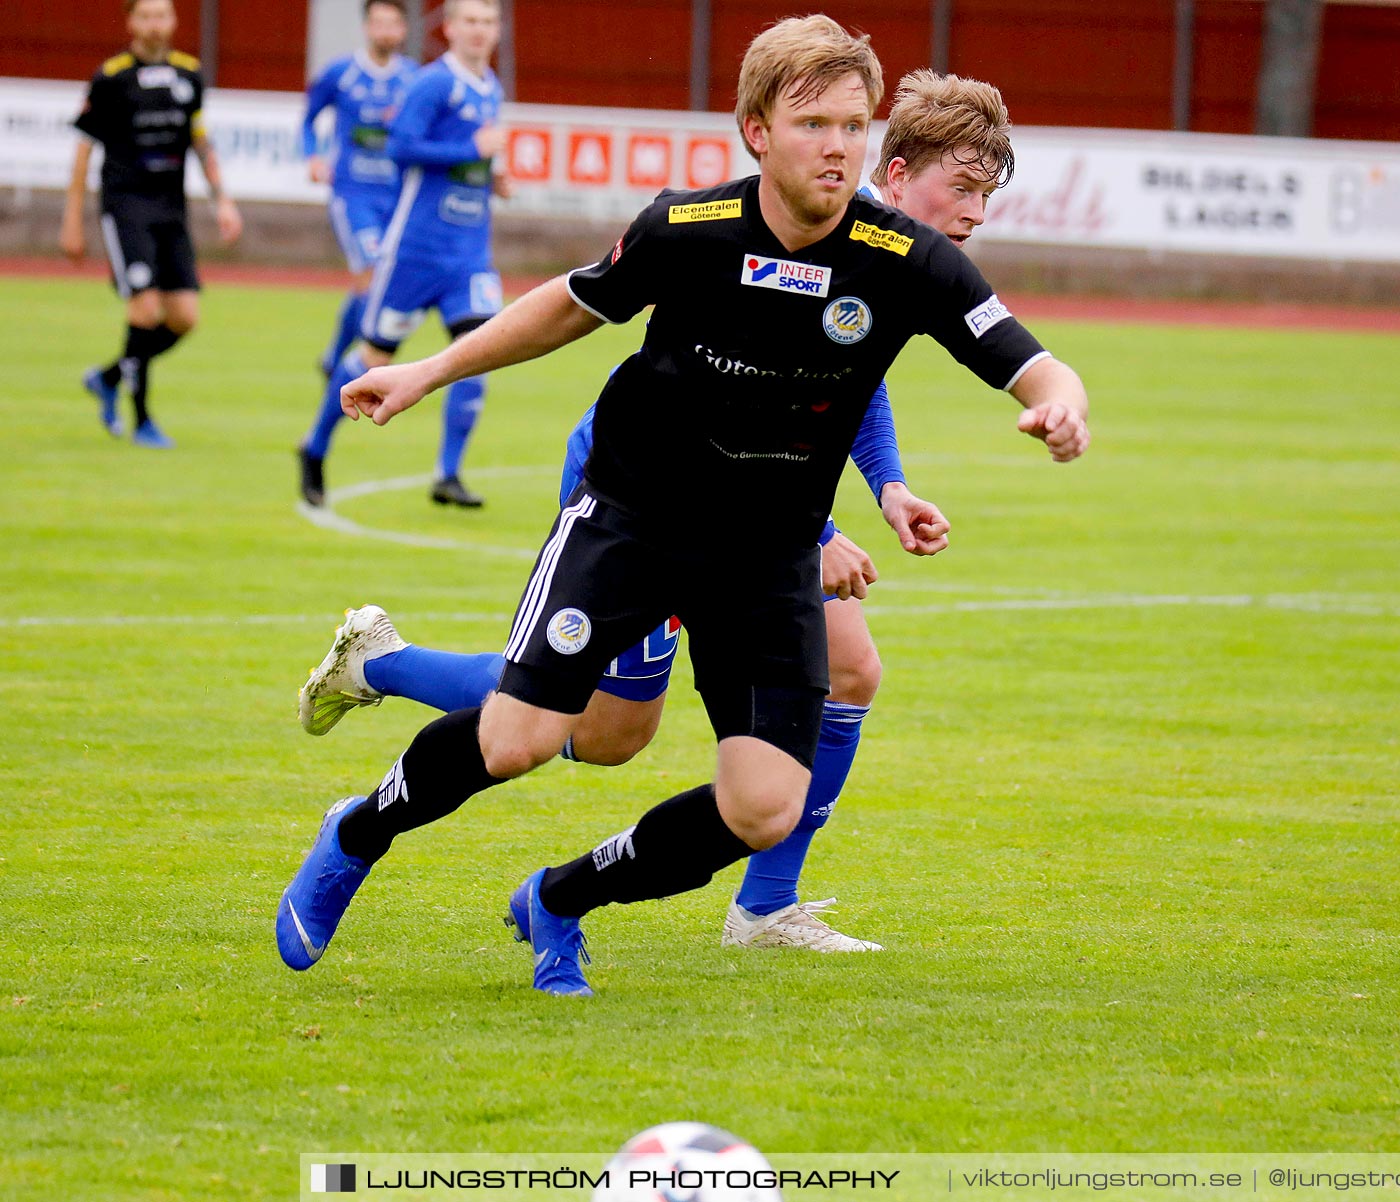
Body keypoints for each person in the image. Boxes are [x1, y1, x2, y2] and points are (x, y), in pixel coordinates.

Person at [274, 16, 1088, 998]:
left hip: (765, 558)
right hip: (633, 522)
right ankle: (355, 831)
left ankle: (561, 898)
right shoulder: (687, 230)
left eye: (853, 125)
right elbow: (568, 304)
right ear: (755, 130)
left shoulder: (905, 257)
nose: (837, 146)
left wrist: (1057, 399)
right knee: (519, 740)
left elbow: (1018, 351)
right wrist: (431, 370)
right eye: (814, 122)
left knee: (763, 806)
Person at [313, 0, 510, 508]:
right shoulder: (432, 83)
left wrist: (493, 175)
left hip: (469, 254)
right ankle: (315, 446)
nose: (479, 31)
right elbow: (400, 147)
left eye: (488, 22)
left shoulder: (491, 86)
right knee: (373, 357)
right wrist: (473, 152)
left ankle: (448, 475)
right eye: (469, 21)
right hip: (415, 254)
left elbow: (475, 154)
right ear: (448, 28)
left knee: (477, 354)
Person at [63, 0, 242, 448]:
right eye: (145, 16)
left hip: (171, 209)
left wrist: (223, 200)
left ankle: (107, 377)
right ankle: (141, 419)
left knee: (184, 318)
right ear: (130, 22)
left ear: (174, 21)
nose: (154, 25)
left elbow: (199, 140)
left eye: (161, 15)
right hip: (126, 207)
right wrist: (72, 220)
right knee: (145, 310)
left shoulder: (189, 74)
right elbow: (83, 152)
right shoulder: (111, 77)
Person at [295, 0, 417, 507]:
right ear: (367, 27)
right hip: (356, 198)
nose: (386, 30)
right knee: (370, 277)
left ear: (404, 30)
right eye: (379, 21)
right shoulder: (341, 74)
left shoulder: (414, 79)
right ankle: (342, 369)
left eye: (394, 22)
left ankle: (334, 356)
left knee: (373, 297)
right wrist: (313, 157)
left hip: (401, 204)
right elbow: (309, 119)